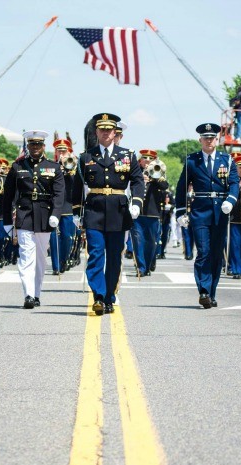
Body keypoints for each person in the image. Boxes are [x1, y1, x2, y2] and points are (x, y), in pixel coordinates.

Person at [72, 113, 144, 315]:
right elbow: (77, 187)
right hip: (94, 211)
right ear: (96, 132)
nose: (105, 133)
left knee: (114, 257)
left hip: (118, 212)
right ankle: (99, 296)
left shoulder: (127, 155)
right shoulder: (86, 157)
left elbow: (138, 182)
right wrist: (77, 212)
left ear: (115, 132)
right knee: (95, 254)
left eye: (109, 130)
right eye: (101, 129)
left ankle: (110, 296)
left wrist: (136, 203)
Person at [175, 122, 239, 308]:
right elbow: (182, 187)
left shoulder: (226, 160)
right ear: (200, 140)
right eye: (205, 138)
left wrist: (231, 200)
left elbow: (234, 183)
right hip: (200, 211)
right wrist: (181, 211)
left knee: (216, 254)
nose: (209, 141)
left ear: (216, 139)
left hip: (221, 210)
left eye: (212, 138)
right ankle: (203, 290)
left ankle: (211, 292)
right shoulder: (192, 161)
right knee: (203, 251)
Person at [2, 130, 64, 309]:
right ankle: (28, 294)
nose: (35, 148)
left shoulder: (54, 167)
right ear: (27, 146)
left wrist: (56, 214)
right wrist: (7, 220)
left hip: (45, 216)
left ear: (43, 146)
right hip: (24, 214)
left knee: (41, 259)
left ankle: (37, 293)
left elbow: (59, 194)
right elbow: (8, 196)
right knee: (26, 256)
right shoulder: (17, 166)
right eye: (32, 144)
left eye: (38, 144)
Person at [131, 149, 169, 276]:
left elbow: (165, 186)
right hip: (137, 213)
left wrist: (154, 177)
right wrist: (140, 179)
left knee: (151, 242)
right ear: (140, 160)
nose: (147, 161)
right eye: (145, 158)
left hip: (153, 213)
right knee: (138, 240)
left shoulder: (159, 173)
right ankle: (141, 268)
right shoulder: (135, 172)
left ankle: (148, 264)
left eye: (150, 159)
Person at [50, 138, 77, 275]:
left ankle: (64, 259)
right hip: (54, 205)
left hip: (68, 206)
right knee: (54, 236)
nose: (61, 153)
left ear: (69, 151)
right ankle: (56, 265)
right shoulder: (50, 166)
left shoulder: (74, 165)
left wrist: (69, 167)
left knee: (67, 236)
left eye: (64, 150)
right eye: (59, 150)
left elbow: (76, 184)